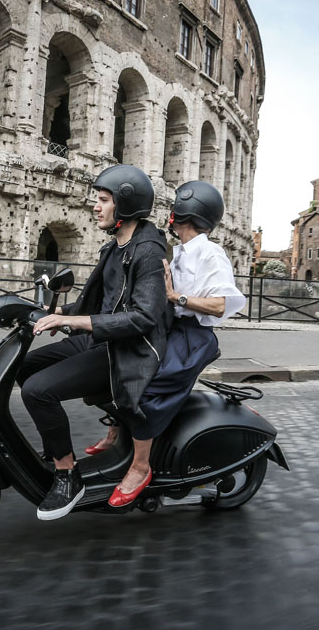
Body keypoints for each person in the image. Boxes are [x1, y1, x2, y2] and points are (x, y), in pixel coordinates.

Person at [17, 164, 171, 521]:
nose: (95, 206)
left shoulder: (147, 251)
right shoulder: (116, 245)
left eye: (102, 200)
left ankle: (68, 476)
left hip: (128, 350)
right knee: (26, 368)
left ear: (126, 205)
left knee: (37, 391)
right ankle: (55, 448)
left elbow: (143, 317)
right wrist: (53, 311)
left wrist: (71, 321)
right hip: (100, 338)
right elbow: (101, 303)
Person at [85, 181, 246, 471]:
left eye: (174, 210)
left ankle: (141, 466)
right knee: (115, 367)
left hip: (192, 337)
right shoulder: (180, 250)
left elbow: (220, 305)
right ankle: (116, 432)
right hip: (170, 328)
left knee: (145, 387)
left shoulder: (211, 253)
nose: (170, 214)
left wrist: (176, 297)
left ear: (185, 214)